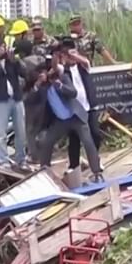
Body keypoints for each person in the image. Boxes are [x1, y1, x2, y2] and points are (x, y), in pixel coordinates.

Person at [35, 52, 104, 185]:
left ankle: (97, 172)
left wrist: (58, 85)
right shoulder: (42, 88)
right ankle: (45, 173)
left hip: (76, 117)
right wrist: (39, 83)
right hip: (61, 121)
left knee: (88, 142)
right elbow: (31, 98)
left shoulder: (63, 78)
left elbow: (73, 92)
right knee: (47, 141)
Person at [0, 38, 29, 171]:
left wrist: (14, 60)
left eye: (4, 47)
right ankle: (3, 161)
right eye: (0, 48)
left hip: (16, 98)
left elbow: (24, 73)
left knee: (20, 130)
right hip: (1, 100)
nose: (3, 49)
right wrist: (0, 62)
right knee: (1, 133)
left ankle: (21, 159)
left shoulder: (11, 60)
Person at [60, 42, 102, 177]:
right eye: (69, 54)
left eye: (74, 53)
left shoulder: (83, 67)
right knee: (74, 139)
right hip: (74, 110)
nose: (72, 57)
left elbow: (85, 61)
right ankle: (74, 165)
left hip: (89, 107)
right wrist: (64, 58)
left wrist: (74, 55)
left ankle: (95, 160)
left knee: (95, 134)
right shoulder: (63, 71)